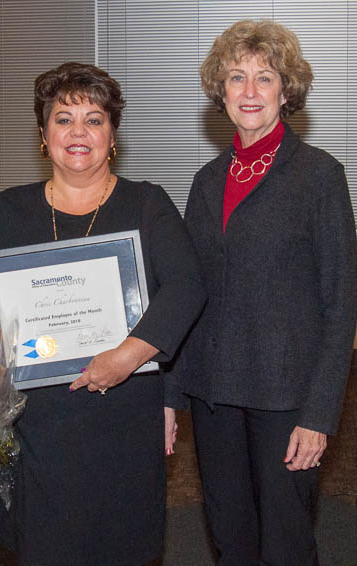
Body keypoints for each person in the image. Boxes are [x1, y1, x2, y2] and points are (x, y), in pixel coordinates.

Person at [0, 61, 206, 566]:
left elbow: (188, 288)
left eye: (94, 119)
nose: (78, 132)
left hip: (123, 413)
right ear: (43, 134)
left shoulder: (147, 205)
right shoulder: (9, 211)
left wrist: (127, 356)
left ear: (113, 135)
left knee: (121, 548)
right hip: (37, 425)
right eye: (63, 119)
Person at [180, 20, 357, 566]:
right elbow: (188, 294)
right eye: (237, 77)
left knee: (286, 546)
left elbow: (340, 304)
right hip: (214, 397)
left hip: (288, 400)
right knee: (231, 543)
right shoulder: (207, 180)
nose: (250, 91)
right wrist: (170, 394)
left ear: (287, 89)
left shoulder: (320, 176)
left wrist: (321, 414)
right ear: (221, 90)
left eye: (265, 77)